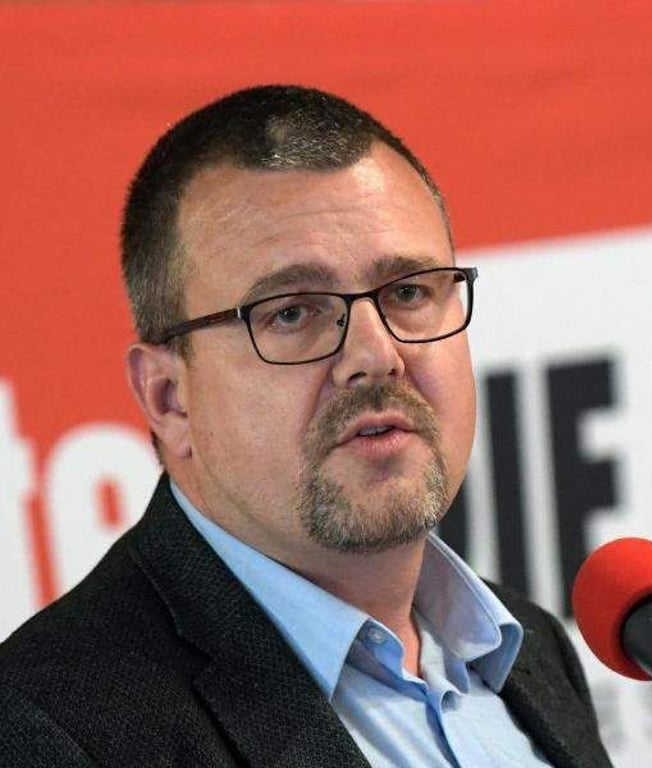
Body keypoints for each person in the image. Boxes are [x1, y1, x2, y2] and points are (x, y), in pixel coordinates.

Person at [0, 85, 613, 767]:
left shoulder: (528, 646)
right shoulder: (51, 734)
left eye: (409, 292)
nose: (376, 356)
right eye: (292, 312)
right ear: (170, 398)